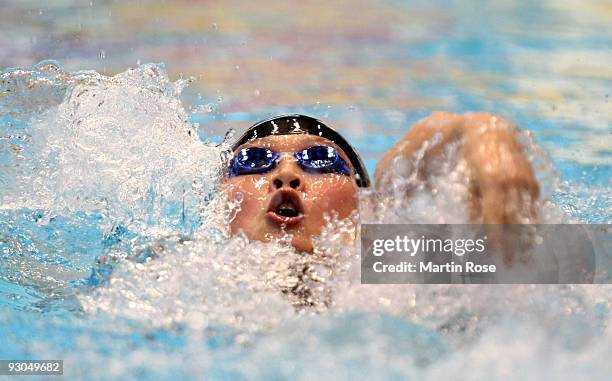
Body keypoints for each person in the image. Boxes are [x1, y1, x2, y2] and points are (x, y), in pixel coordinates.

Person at [221, 112, 539, 255]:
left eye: (319, 158)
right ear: (218, 204)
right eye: (253, 161)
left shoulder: (398, 272)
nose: (286, 174)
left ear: (366, 205)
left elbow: (577, 265)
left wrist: (485, 131)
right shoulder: (178, 273)